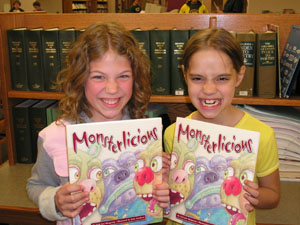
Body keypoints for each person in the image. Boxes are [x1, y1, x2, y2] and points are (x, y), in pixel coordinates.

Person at [26, 21, 170, 224]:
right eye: (99, 77)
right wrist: (55, 201)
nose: (112, 88)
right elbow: (36, 185)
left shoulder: (145, 135)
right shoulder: (54, 136)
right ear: (80, 79)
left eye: (123, 76)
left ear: (136, 79)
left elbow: (155, 197)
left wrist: (163, 183)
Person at [164, 28, 280, 225]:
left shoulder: (261, 134)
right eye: (197, 78)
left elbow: (273, 195)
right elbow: (173, 192)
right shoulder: (173, 133)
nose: (209, 90)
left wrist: (255, 196)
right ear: (185, 75)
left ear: (240, 75)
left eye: (222, 78)